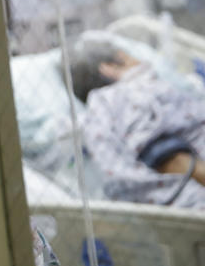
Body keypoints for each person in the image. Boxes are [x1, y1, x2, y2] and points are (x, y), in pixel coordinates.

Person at [70, 39, 205, 208]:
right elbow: (165, 155)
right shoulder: (121, 96)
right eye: (128, 55)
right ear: (109, 68)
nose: (140, 59)